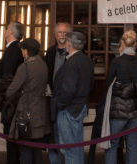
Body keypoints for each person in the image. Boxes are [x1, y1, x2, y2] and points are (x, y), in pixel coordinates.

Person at [52, 31, 94, 164]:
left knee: (69, 150)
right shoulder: (87, 60)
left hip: (69, 109)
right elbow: (91, 85)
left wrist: (59, 103)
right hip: (81, 107)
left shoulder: (71, 62)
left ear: (69, 44)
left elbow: (69, 90)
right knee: (77, 147)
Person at [104, 30, 137, 164]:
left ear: (122, 43)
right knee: (132, 145)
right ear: (135, 44)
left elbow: (108, 82)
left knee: (112, 144)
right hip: (134, 107)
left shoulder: (117, 61)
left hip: (118, 108)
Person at [7, 38, 50, 164]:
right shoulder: (43, 65)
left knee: (25, 150)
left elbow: (11, 90)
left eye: (22, 49)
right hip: (40, 111)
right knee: (36, 150)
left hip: (26, 113)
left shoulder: (25, 67)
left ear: (26, 51)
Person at [0, 21, 24, 164]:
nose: (5, 30)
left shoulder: (13, 50)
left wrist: (3, 98)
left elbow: (7, 78)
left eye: (7, 28)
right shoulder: (15, 48)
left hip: (11, 102)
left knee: (11, 135)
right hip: (13, 101)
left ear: (11, 32)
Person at [45, 22, 71, 164]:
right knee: (53, 140)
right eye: (59, 32)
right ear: (55, 35)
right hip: (52, 102)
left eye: (65, 32)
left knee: (68, 141)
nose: (62, 35)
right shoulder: (49, 52)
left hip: (68, 103)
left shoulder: (73, 53)